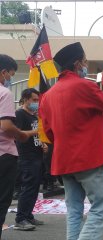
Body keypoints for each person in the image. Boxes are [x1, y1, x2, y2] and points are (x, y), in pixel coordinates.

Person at [40, 42, 103, 240]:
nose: (86, 65)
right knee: (101, 207)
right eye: (85, 62)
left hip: (64, 161)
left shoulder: (47, 95)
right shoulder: (85, 85)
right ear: (77, 64)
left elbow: (49, 133)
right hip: (89, 159)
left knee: (74, 210)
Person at [0, 54, 37, 239]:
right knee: (2, 201)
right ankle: (22, 217)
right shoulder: (4, 93)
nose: (10, 79)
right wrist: (22, 135)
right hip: (5, 155)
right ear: (4, 72)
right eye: (11, 74)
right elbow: (6, 126)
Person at [14, 88, 46, 231]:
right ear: (25, 99)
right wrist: (35, 132)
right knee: (27, 188)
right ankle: (20, 219)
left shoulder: (33, 116)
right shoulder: (19, 114)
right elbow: (18, 135)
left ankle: (28, 215)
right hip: (26, 157)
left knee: (34, 188)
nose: (36, 103)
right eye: (34, 100)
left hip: (37, 155)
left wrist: (42, 143)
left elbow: (36, 135)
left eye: (37, 100)